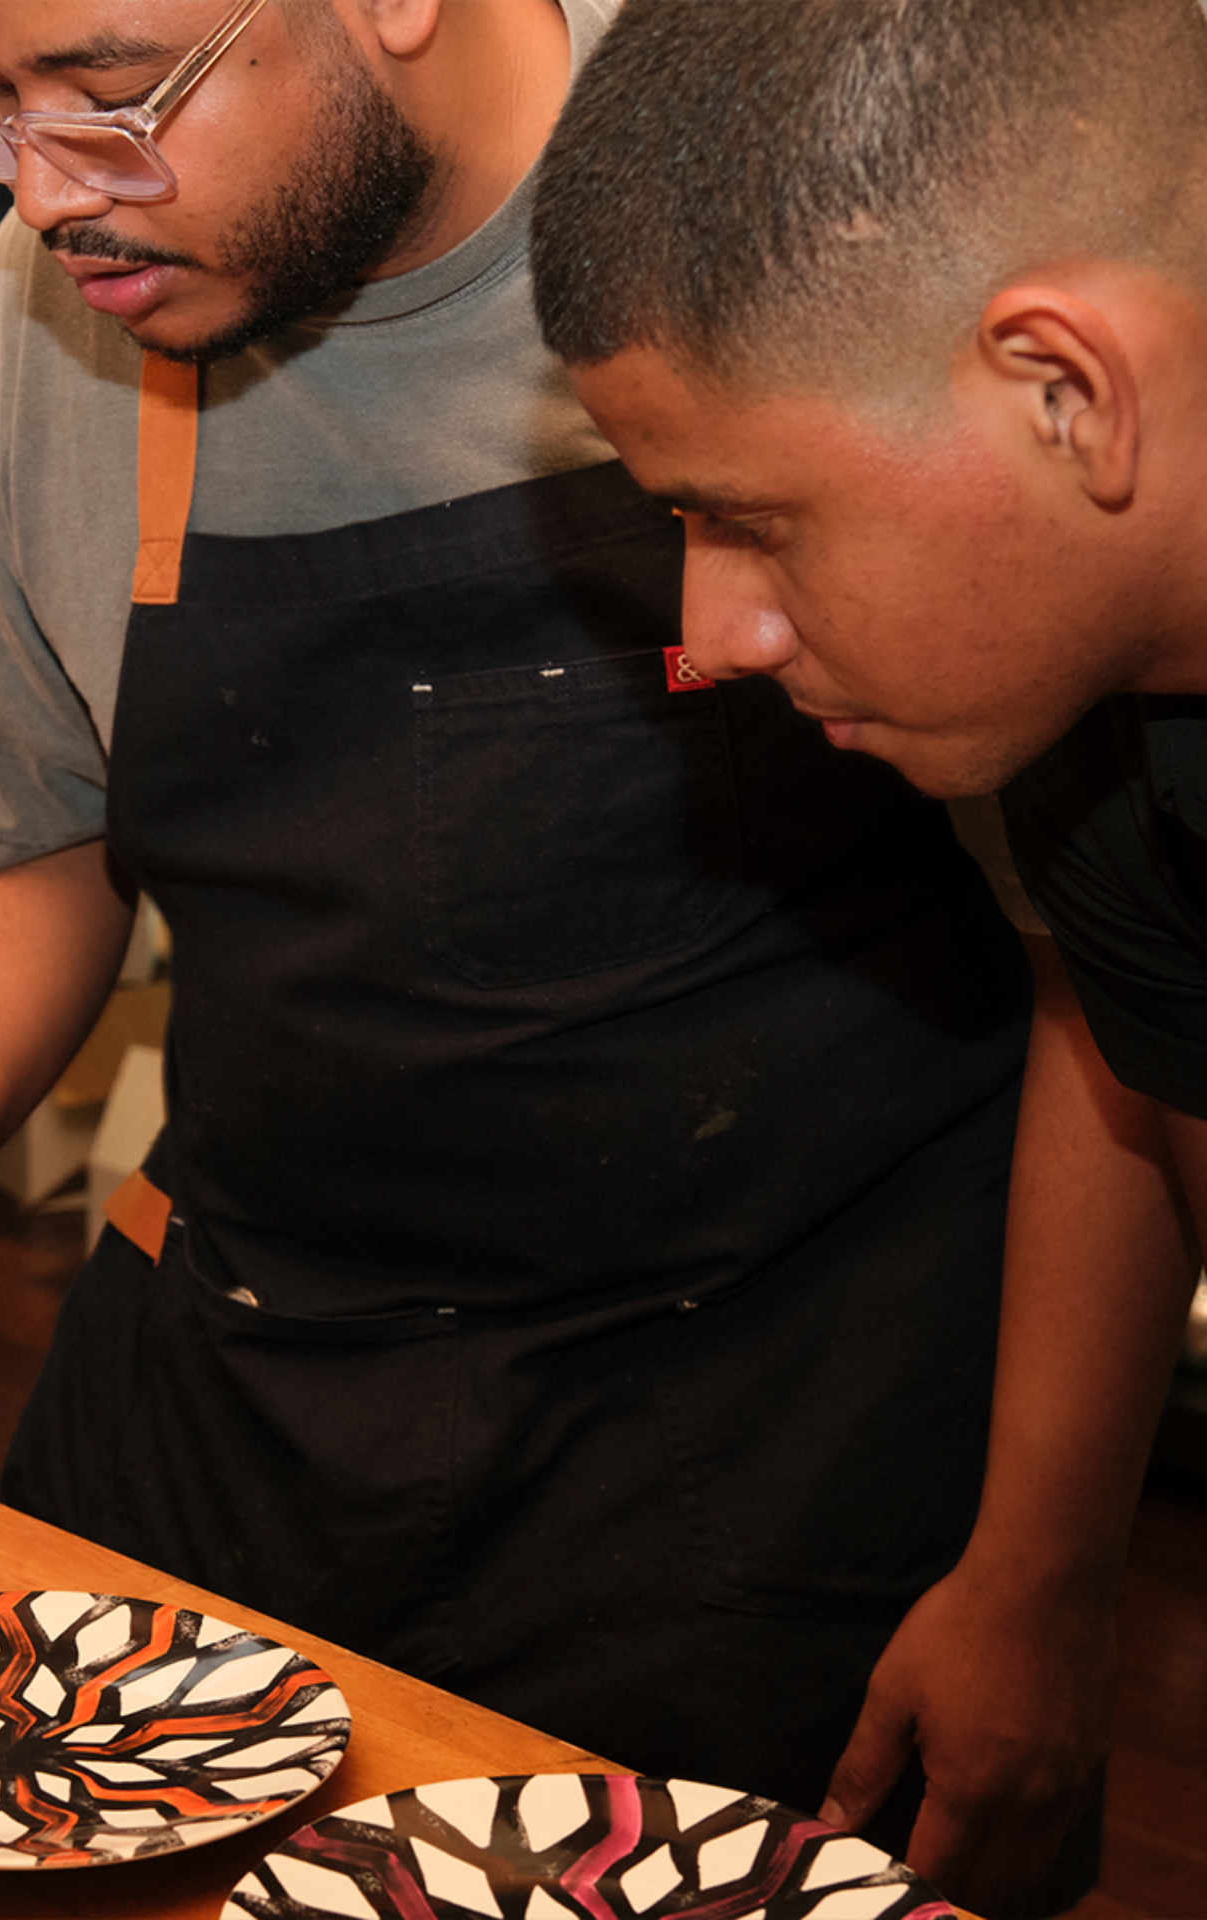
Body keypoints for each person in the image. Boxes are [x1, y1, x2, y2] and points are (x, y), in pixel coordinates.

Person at [0, 3, 1063, 1908]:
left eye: (112, 100)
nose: (41, 195)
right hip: (250, 1393)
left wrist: (1036, 1571)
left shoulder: (804, 207)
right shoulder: (48, 329)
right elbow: (36, 819)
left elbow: (1107, 975)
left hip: (758, 1451)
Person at [530, 0, 1207, 1910]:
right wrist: (1032, 1575)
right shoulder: (1105, 745)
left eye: (748, 523)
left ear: (1066, 387)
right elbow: (1150, 1069)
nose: (712, 631)